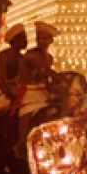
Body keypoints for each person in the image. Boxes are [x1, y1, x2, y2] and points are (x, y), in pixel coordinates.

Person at [14, 21, 60, 157]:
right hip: (30, 91)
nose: (41, 41)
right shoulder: (31, 55)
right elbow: (44, 72)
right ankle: (21, 143)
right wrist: (59, 79)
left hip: (43, 90)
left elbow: (47, 77)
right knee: (27, 114)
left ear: (51, 41)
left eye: (45, 38)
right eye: (39, 38)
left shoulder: (49, 57)